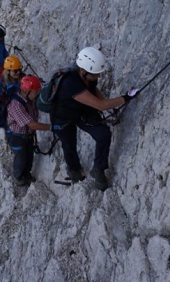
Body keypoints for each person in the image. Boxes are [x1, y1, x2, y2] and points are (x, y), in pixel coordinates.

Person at [52, 47, 139, 191]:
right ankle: (74, 172)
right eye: (95, 75)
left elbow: (95, 94)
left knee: (103, 134)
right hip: (62, 116)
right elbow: (100, 105)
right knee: (69, 144)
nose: (98, 77)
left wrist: (113, 109)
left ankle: (98, 169)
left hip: (80, 110)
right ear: (83, 71)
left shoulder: (88, 76)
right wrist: (125, 97)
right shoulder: (71, 83)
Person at [6, 75, 51, 186]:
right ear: (26, 92)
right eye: (35, 92)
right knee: (20, 159)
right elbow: (32, 124)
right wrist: (52, 127)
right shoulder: (16, 106)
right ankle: (18, 177)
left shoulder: (29, 98)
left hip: (27, 135)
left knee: (29, 157)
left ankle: (26, 173)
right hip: (17, 137)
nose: (38, 94)